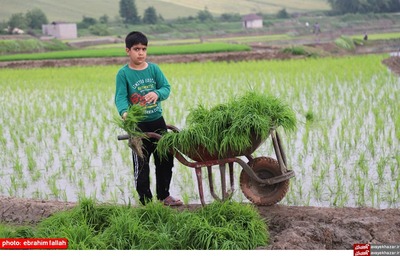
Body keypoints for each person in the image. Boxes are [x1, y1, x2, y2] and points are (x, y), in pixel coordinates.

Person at [114, 31, 182, 206]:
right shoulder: (123, 74)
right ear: (127, 51)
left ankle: (164, 196)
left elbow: (166, 87)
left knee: (165, 160)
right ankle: (146, 201)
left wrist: (156, 93)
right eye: (136, 49)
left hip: (157, 122)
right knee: (142, 166)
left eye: (144, 49)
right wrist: (124, 113)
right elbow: (120, 97)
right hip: (138, 126)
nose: (141, 53)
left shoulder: (153, 69)